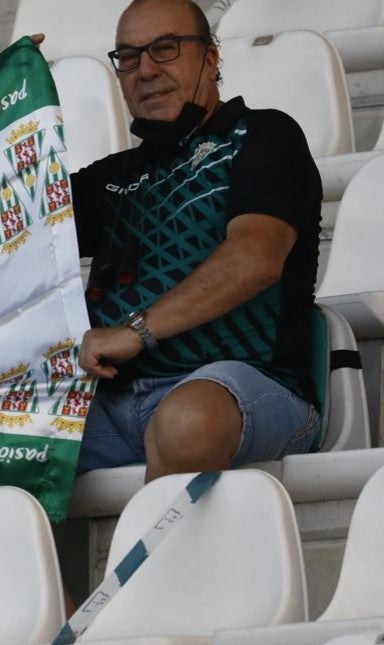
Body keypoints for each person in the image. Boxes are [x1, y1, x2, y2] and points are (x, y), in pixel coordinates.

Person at [70, 0, 322, 482]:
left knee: (186, 421)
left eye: (165, 49)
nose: (145, 70)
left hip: (247, 387)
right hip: (112, 403)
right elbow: (5, 227)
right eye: (128, 57)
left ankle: (151, 561)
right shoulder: (112, 180)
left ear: (210, 59)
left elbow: (256, 258)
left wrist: (136, 331)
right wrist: (3, 100)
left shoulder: (264, 135)